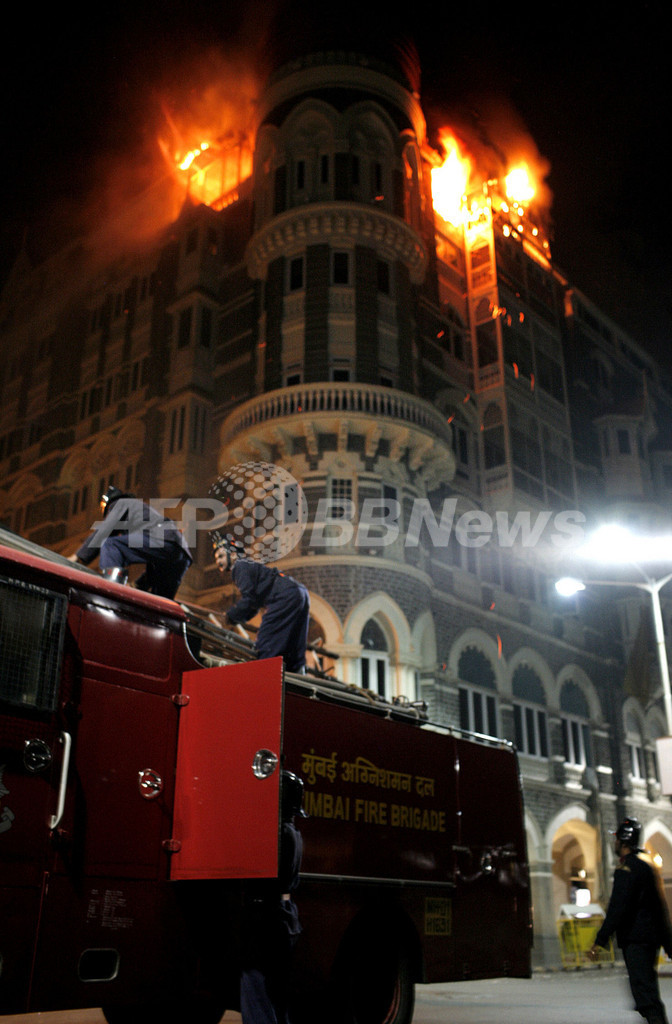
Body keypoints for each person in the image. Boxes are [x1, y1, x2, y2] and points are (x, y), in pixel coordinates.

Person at [590, 817, 672, 1024]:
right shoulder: (647, 867)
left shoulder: (626, 870)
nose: (615, 843)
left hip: (635, 940)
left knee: (644, 992)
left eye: (617, 839)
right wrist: (668, 942)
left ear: (623, 842)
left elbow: (618, 908)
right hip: (650, 940)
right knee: (649, 989)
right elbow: (659, 908)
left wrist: (600, 941)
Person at [240, 770, 305, 1024]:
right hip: (285, 915)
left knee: (254, 983)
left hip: (266, 915)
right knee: (278, 989)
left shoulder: (276, 834)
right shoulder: (293, 833)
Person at [70, 486, 192, 599]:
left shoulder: (121, 503)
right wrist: (137, 585)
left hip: (165, 540)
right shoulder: (140, 513)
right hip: (182, 555)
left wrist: (77, 556)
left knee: (111, 544)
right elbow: (155, 566)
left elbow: (104, 531)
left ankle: (111, 589)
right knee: (160, 603)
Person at [214, 537, 310, 673]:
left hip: (283, 596)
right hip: (299, 592)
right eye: (217, 558)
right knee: (294, 645)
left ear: (234, 554)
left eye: (221, 556)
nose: (218, 562)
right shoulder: (248, 565)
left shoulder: (239, 567)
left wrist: (229, 617)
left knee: (267, 645)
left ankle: (265, 677)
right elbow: (255, 603)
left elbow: (249, 600)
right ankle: (298, 675)